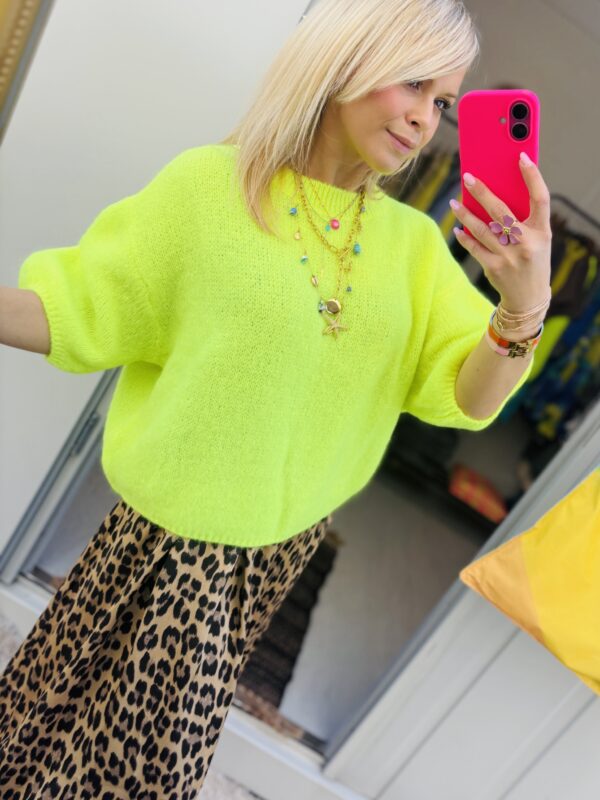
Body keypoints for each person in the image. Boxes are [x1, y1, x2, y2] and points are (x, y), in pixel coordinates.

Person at [0, 0, 552, 797]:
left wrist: (522, 308)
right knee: (106, 756)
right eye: (413, 83)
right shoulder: (209, 188)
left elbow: (467, 397)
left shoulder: (412, 249)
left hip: (276, 555)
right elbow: (78, 310)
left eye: (443, 102)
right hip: (170, 545)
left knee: (67, 739)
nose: (425, 119)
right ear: (347, 62)